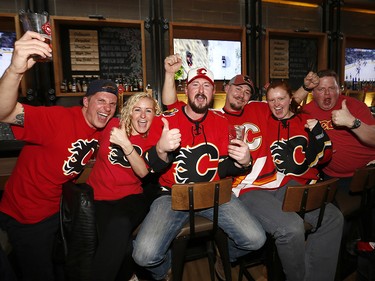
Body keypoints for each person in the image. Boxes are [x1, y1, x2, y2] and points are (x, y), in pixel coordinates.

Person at [0, 31, 118, 281]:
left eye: (112, 103)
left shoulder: (106, 124)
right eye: (100, 101)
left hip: (58, 211)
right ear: (85, 102)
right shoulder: (57, 119)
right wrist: (14, 70)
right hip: (26, 214)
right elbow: (4, 112)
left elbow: (143, 119)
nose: (106, 108)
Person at [132, 63, 266, 281]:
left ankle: (224, 258)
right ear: (186, 89)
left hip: (214, 195)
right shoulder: (166, 120)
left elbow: (223, 168)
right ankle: (166, 269)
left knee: (256, 239)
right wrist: (160, 149)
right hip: (172, 195)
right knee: (143, 255)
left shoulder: (222, 122)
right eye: (196, 85)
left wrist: (244, 162)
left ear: (213, 93)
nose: (201, 90)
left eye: (206, 86)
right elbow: (148, 169)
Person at [239, 80, 343, 281]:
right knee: (291, 228)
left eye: (281, 99)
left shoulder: (305, 119)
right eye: (271, 100)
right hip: (270, 186)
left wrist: (319, 133)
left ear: (291, 99)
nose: (277, 104)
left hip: (300, 186)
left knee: (333, 218)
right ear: (266, 102)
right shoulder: (262, 119)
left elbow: (326, 155)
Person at [87, 92, 161, 281]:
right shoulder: (112, 125)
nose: (142, 116)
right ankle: (130, 276)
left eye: (148, 111)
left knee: (119, 224)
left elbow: (143, 172)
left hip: (131, 196)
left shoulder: (154, 139)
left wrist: (125, 144)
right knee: (115, 243)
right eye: (137, 110)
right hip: (99, 195)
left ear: (155, 115)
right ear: (129, 112)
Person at [303, 69, 375, 191]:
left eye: (331, 88)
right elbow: (283, 111)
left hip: (367, 172)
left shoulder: (355, 106)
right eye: (321, 89)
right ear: (313, 92)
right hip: (332, 177)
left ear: (339, 90)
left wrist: (352, 122)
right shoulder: (307, 111)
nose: (327, 94)